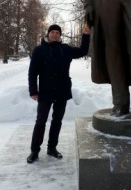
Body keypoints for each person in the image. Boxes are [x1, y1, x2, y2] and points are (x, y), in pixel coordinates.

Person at [27, 24, 90, 163]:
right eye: (52, 32)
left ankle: (52, 148)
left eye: (57, 33)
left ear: (60, 35)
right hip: (45, 91)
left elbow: (82, 51)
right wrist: (33, 90)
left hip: (62, 91)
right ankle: (34, 151)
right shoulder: (39, 50)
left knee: (57, 121)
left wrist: (86, 35)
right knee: (41, 121)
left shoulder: (65, 49)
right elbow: (32, 72)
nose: (55, 34)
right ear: (48, 34)